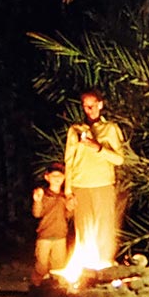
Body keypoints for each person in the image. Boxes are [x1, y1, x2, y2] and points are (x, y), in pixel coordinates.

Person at [63, 89, 126, 265]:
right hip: (80, 185)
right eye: (85, 106)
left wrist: (97, 146)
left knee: (104, 227)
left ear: (100, 104)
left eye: (92, 106)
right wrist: (68, 192)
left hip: (103, 184)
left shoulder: (110, 129)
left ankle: (104, 265)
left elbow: (119, 159)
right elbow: (69, 161)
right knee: (83, 228)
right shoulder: (75, 130)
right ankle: (85, 267)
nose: (88, 110)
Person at [30, 164, 72, 282]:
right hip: (45, 236)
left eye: (60, 175)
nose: (57, 178)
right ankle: (36, 291)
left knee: (59, 268)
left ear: (64, 178)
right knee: (41, 267)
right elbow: (37, 214)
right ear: (47, 177)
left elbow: (67, 216)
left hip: (60, 237)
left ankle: (57, 293)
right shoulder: (43, 195)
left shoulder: (65, 196)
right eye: (53, 176)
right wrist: (37, 201)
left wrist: (71, 207)